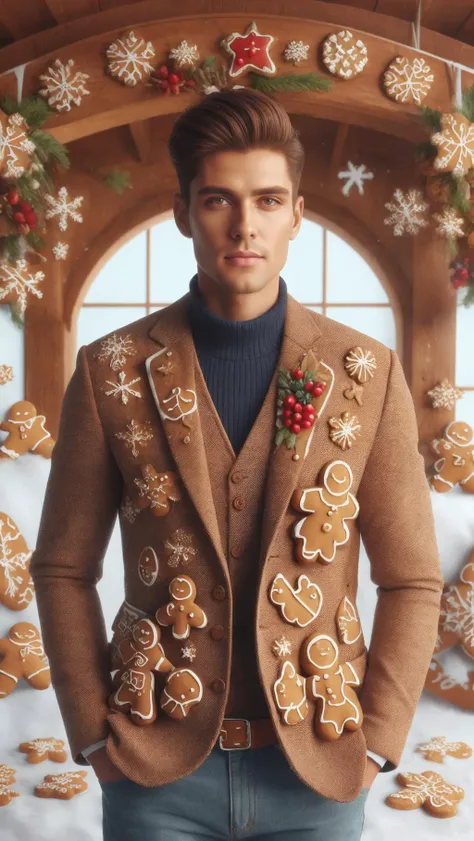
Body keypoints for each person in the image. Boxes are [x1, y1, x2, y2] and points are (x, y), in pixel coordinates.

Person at [30, 88, 444, 841]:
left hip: (320, 771)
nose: (245, 225)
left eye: (268, 200)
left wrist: (379, 739)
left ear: (297, 213)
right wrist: (95, 734)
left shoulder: (366, 373)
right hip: (156, 775)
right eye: (219, 199)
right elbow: (62, 567)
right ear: (185, 212)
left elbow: (412, 576)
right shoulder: (109, 368)